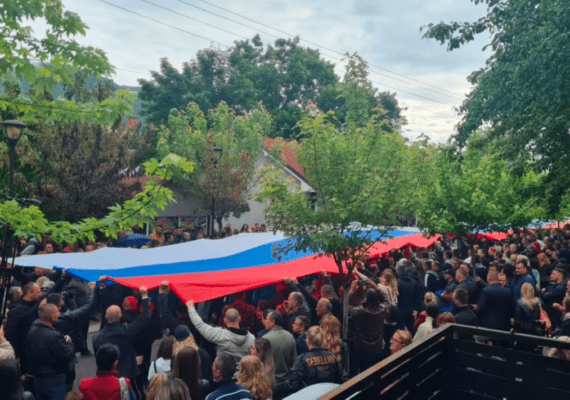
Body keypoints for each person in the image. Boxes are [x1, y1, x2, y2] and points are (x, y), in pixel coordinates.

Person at [92, 286, 151, 389]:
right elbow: (146, 316)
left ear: (105, 317)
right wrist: (144, 296)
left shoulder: (96, 338)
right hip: (128, 375)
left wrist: (103, 287)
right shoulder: (127, 331)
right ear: (120, 316)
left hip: (107, 377)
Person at [187, 300, 255, 373]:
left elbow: (200, 325)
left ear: (225, 321)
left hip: (223, 375)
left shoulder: (220, 335)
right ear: (240, 319)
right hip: (242, 376)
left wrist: (191, 308)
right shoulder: (251, 338)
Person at [25, 303, 75, 400]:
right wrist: (68, 342)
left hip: (38, 378)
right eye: (57, 312)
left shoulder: (31, 331)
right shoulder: (54, 335)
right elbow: (66, 354)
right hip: (54, 379)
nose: (58, 314)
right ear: (52, 317)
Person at [285, 326, 344, 393]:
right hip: (329, 394)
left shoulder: (302, 359)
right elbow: (341, 379)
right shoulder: (332, 357)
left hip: (310, 395)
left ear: (307, 341)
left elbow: (292, 384)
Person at [349, 288, 390, 372]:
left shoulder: (361, 312)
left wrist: (351, 291)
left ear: (367, 299)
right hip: (378, 347)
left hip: (364, 349)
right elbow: (387, 300)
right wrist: (377, 288)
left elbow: (347, 307)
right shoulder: (382, 309)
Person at [261, 310, 296, 397]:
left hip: (271, 384)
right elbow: (294, 361)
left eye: (267, 319)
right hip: (287, 382)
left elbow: (262, 363)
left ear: (273, 322)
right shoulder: (290, 336)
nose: (265, 321)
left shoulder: (265, 339)